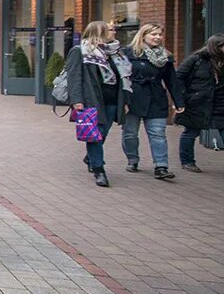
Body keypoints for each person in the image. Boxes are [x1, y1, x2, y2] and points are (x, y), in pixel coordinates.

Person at [67, 21, 132, 188]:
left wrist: (125, 100)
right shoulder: (79, 51)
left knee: (102, 134)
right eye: (110, 30)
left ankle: (90, 157)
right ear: (99, 32)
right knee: (95, 135)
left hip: (112, 100)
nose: (114, 32)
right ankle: (99, 169)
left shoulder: (116, 53)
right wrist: (76, 100)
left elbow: (123, 78)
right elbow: (74, 77)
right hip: (91, 100)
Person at [120, 23, 175, 179]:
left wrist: (179, 102)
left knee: (158, 133)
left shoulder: (165, 56)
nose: (157, 37)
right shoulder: (128, 53)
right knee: (130, 133)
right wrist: (122, 101)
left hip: (156, 99)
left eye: (159, 34)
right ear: (143, 35)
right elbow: (121, 78)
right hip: (133, 98)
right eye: (153, 34)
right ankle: (132, 159)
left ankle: (161, 166)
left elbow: (172, 81)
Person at [174, 33, 224, 174]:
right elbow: (179, 77)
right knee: (191, 131)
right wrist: (184, 97)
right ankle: (187, 161)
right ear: (216, 47)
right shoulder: (196, 59)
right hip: (198, 102)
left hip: (220, 102)